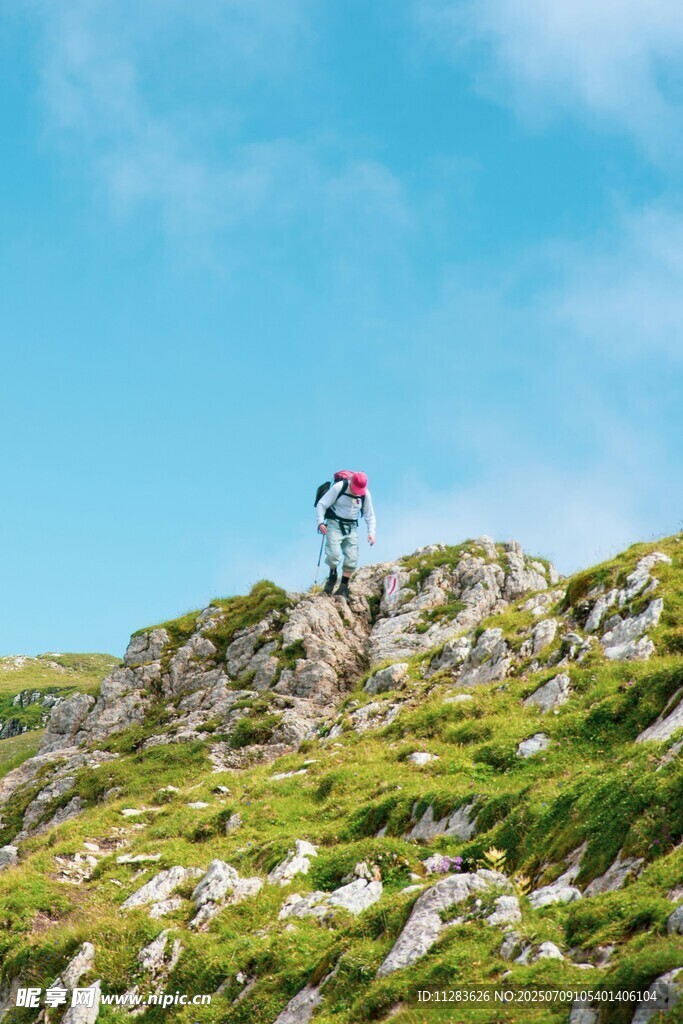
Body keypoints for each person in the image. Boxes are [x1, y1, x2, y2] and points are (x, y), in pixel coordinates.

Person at [316, 471, 376, 597]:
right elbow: (322, 504)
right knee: (333, 555)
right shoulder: (339, 487)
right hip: (334, 524)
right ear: (351, 482)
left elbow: (369, 515)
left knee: (352, 558)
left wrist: (371, 533)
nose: (357, 492)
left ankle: (343, 586)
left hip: (351, 527)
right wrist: (320, 522)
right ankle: (332, 576)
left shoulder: (365, 494)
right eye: (355, 489)